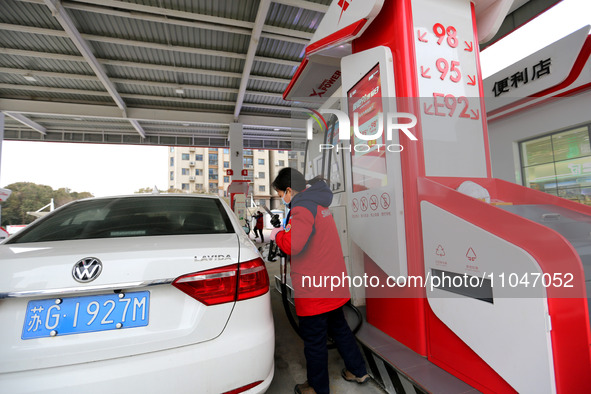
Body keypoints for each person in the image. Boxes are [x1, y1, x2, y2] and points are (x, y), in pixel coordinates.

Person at [270, 167, 369, 394]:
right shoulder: (319, 204)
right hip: (331, 285)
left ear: (288, 190)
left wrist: (276, 234)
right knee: (341, 329)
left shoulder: (302, 208)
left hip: (314, 290)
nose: (282, 199)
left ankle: (317, 388)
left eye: (280, 194)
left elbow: (293, 244)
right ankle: (358, 370)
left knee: (314, 341)